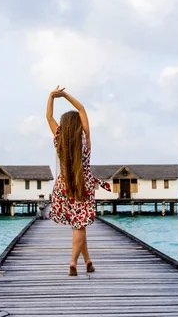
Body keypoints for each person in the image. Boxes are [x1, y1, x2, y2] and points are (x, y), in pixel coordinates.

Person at [46, 86, 111, 276]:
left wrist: (51, 97)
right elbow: (82, 109)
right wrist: (65, 95)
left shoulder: (59, 139)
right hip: (83, 185)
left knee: (78, 225)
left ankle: (88, 261)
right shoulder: (85, 140)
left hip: (64, 186)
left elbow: (49, 117)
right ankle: (73, 262)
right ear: (78, 126)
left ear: (63, 127)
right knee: (79, 225)